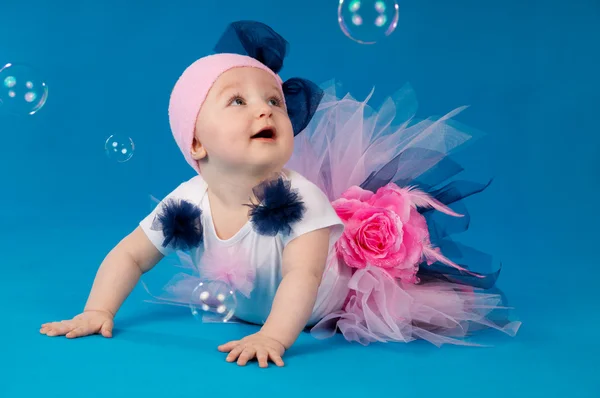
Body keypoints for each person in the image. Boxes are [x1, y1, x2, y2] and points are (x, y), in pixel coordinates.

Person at [40, 20, 520, 368]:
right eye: (238, 101)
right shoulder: (186, 201)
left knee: (328, 270)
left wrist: (274, 335)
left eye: (274, 101)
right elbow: (130, 256)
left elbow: (303, 276)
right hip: (251, 305)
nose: (266, 111)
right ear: (197, 142)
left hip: (318, 305)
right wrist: (98, 309)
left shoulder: (299, 198)